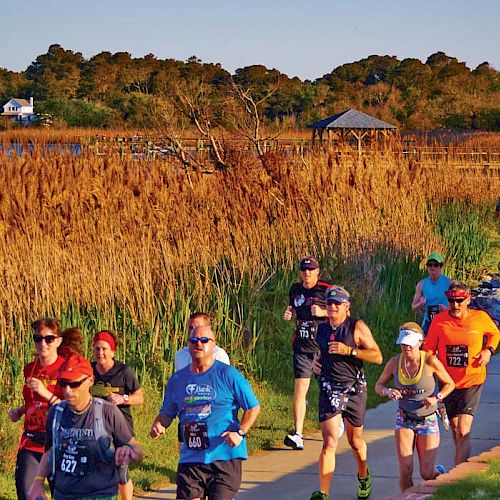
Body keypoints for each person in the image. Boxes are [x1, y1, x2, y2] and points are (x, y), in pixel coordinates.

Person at [150, 325, 261, 500]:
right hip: (191, 457)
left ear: (213, 345)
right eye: (194, 340)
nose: (198, 344)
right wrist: (159, 424)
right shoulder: (177, 380)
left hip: (223, 456)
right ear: (188, 346)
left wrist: (240, 432)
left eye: (204, 340)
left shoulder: (228, 374)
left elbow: (253, 407)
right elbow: (167, 412)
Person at [28, 354, 143, 500]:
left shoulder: (107, 412)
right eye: (63, 383)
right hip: (63, 494)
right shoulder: (56, 413)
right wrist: (38, 481)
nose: (68, 391)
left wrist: (128, 451)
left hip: (100, 495)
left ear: (90, 381)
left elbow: (137, 450)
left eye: (74, 384)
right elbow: (50, 451)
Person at [309, 286, 382, 500]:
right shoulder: (321, 329)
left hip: (354, 388)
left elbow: (377, 356)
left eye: (337, 304)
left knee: (355, 441)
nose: (332, 307)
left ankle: (363, 473)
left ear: (346, 307)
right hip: (329, 387)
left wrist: (349, 350)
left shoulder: (356, 327)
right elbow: (321, 353)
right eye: (329, 303)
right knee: (330, 440)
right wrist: (316, 362)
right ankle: (323, 493)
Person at [423, 280, 499, 465]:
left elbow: (495, 333)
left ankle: (456, 475)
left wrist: (488, 351)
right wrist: (427, 373)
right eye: (451, 301)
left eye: (459, 300)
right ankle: (461, 465)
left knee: (463, 429)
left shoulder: (480, 318)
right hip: (448, 383)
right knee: (456, 429)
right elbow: (428, 351)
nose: (455, 305)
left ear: (468, 299)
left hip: (472, 380)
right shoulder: (440, 321)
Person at [8, 319, 83, 500]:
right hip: (32, 440)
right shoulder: (30, 368)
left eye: (49, 339)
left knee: (63, 494)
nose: (43, 343)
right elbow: (33, 402)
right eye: (38, 338)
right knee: (27, 493)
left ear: (58, 340)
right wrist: (20, 411)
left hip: (59, 441)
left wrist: (44, 391)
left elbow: (74, 408)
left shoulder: (67, 369)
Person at [375, 322, 455, 491]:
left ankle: (440, 477)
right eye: (403, 343)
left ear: (420, 342)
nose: (406, 347)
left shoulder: (430, 361)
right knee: (405, 469)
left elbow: (450, 384)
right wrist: (388, 391)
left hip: (428, 419)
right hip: (404, 419)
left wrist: (436, 398)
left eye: (410, 343)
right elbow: (378, 386)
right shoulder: (395, 362)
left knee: (426, 473)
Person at [283, 256, 333, 450]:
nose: (307, 273)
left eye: (311, 270)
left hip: (322, 348)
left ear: (317, 271)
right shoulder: (295, 289)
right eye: (304, 270)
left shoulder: (326, 289)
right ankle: (298, 434)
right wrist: (289, 314)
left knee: (327, 389)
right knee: (300, 389)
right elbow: (292, 309)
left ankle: (335, 422)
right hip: (302, 346)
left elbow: (342, 312)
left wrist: (322, 313)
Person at [91, 330, 144, 500]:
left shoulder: (123, 371)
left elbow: (140, 397)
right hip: (96, 427)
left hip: (121, 427)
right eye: (97, 348)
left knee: (121, 472)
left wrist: (123, 398)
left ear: (112, 351)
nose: (101, 353)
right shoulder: (89, 370)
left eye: (104, 349)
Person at [412, 252, 451, 335]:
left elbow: (459, 304)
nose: (432, 267)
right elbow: (413, 307)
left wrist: (446, 309)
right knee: (427, 346)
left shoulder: (449, 283)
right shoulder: (421, 284)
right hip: (428, 322)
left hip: (445, 321)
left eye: (435, 265)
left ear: (441, 266)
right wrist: (420, 304)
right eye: (430, 265)